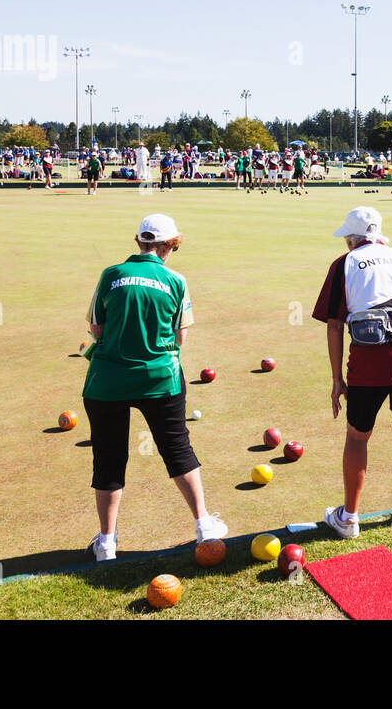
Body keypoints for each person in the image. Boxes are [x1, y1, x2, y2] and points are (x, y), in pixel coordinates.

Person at [81, 214, 228, 560]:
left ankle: (106, 543)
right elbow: (180, 337)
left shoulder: (111, 274)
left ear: (139, 242)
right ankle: (204, 524)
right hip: (160, 378)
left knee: (108, 458)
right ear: (169, 245)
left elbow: (96, 329)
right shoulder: (175, 280)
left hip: (106, 381)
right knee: (177, 448)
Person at [312, 207, 392, 539]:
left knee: (357, 436)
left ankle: (348, 518)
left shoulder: (344, 264)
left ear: (351, 239)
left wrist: (337, 380)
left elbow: (335, 326)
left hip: (369, 358)